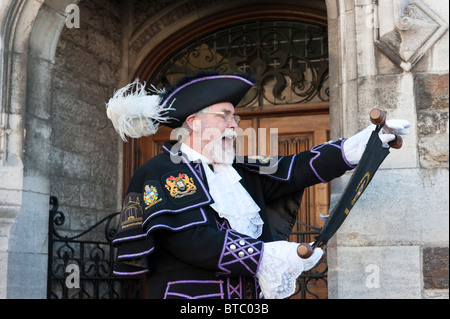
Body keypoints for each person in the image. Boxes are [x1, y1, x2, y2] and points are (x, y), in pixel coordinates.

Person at [106, 70, 410, 299]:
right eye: (224, 116)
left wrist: (357, 147)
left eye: (235, 117)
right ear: (194, 122)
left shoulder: (239, 171)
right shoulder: (161, 170)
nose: (235, 125)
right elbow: (189, 239)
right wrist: (266, 256)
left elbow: (296, 169)